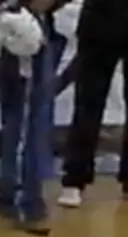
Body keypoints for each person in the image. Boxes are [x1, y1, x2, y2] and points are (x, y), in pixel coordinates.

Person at [0, 3, 58, 233]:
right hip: (21, 32)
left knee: (23, 117)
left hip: (29, 27)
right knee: (26, 120)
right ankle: (22, 199)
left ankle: (10, 193)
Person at [59, 0, 128, 205]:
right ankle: (74, 178)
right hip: (98, 24)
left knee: (87, 105)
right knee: (88, 104)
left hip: (98, 21)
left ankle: (74, 179)